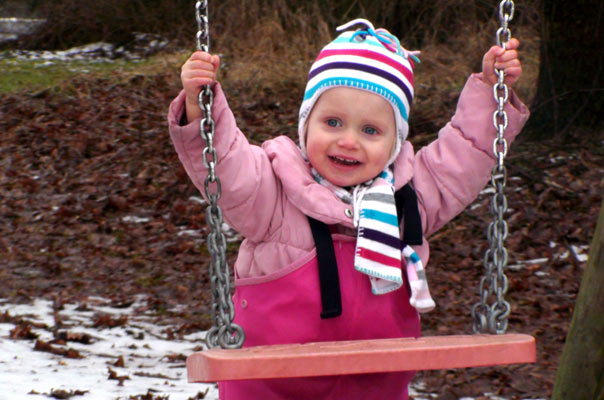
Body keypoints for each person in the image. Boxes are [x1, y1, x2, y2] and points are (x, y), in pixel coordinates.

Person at [168, 18, 528, 400]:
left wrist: (492, 93)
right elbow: (227, 162)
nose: (348, 141)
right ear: (306, 125)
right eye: (333, 122)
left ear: (395, 143)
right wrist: (201, 105)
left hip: (374, 387)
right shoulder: (274, 190)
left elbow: (464, 154)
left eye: (370, 130)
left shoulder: (409, 198)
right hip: (273, 386)